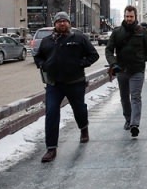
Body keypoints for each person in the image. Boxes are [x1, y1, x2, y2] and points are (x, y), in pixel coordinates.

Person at [33, 11, 99, 163]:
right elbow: (38, 56)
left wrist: (80, 64)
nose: (62, 23)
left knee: (79, 109)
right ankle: (51, 148)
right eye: (59, 21)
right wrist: (42, 65)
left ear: (69, 23)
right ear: (54, 24)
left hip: (75, 82)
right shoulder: (47, 41)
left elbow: (93, 55)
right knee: (51, 113)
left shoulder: (79, 38)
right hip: (54, 84)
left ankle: (84, 128)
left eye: (65, 21)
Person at [105, 5, 147, 137]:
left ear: (135, 17)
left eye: (131, 16)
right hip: (121, 70)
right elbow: (108, 50)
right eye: (127, 16)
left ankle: (134, 124)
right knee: (124, 98)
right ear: (124, 16)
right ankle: (128, 119)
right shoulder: (117, 32)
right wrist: (113, 63)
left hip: (137, 70)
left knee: (135, 96)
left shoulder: (142, 31)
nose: (129, 19)